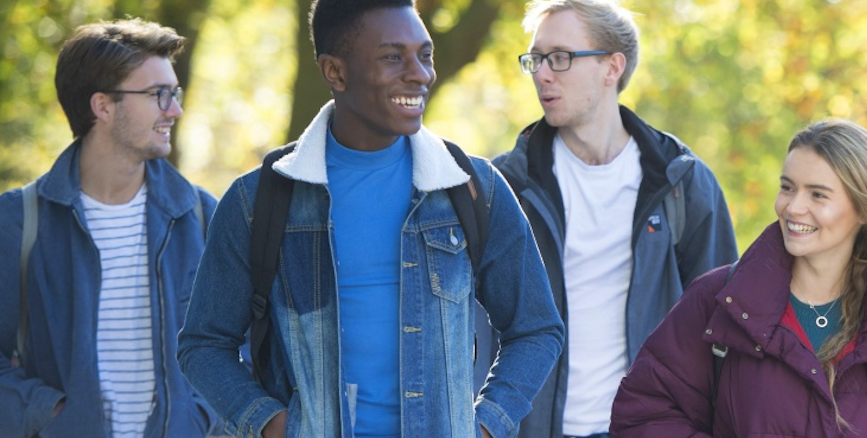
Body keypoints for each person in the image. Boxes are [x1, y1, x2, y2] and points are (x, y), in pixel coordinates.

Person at [175, 0, 564, 436]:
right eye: (393, 56)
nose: (420, 73)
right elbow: (203, 344)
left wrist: (486, 426)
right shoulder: (259, 199)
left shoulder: (472, 188)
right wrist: (273, 425)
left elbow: (537, 329)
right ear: (334, 72)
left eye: (425, 53)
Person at [477, 1, 738, 437]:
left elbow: (726, 329)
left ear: (611, 67)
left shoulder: (681, 183)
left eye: (559, 58)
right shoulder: (506, 187)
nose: (542, 73)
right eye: (536, 59)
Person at [611, 119, 867, 437]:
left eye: (817, 194)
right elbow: (643, 413)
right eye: (787, 187)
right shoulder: (719, 300)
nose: (793, 207)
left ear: (864, 208)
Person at [0, 18, 218, 438]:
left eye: (175, 93)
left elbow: (240, 347)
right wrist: (51, 414)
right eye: (158, 95)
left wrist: (202, 418)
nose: (175, 109)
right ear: (102, 106)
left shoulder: (203, 217)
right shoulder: (17, 223)